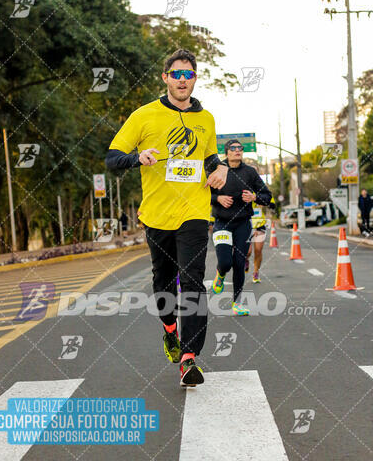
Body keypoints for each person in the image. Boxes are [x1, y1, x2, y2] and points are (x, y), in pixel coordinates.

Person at [105, 48, 228, 386]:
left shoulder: (206, 119)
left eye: (188, 74)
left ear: (195, 78)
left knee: (192, 281)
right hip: (157, 216)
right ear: (165, 78)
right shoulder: (144, 116)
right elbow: (112, 158)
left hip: (194, 213)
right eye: (177, 74)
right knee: (164, 283)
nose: (182, 80)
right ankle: (170, 330)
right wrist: (136, 157)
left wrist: (217, 170)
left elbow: (210, 158)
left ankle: (189, 358)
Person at [210, 140, 272, 315]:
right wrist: (218, 199)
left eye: (240, 148)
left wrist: (254, 197)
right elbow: (202, 193)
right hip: (222, 222)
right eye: (233, 148)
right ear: (227, 152)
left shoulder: (250, 172)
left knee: (239, 262)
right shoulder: (218, 170)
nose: (237, 151)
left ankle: (237, 303)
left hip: (243, 223)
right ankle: (220, 274)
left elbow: (267, 196)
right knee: (225, 262)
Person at [245, 194, 276, 283]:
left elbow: (272, 204)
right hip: (246, 224)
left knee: (258, 250)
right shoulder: (244, 188)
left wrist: (264, 202)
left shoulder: (261, 189)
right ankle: (246, 260)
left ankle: (256, 272)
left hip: (259, 224)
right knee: (248, 251)